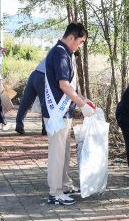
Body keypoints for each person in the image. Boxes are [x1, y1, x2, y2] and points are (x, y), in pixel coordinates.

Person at [43, 22, 96, 206]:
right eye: (80, 42)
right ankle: (55, 192)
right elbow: (64, 85)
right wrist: (82, 105)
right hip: (57, 112)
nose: (80, 46)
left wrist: (84, 100)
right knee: (58, 154)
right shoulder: (60, 53)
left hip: (64, 112)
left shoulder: (64, 52)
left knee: (64, 152)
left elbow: (71, 87)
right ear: (71, 37)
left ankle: (64, 185)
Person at [15, 58, 47, 135]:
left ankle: (19, 125)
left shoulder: (55, 51)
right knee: (45, 103)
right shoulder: (63, 54)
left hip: (34, 74)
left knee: (26, 101)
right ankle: (45, 128)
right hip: (43, 77)